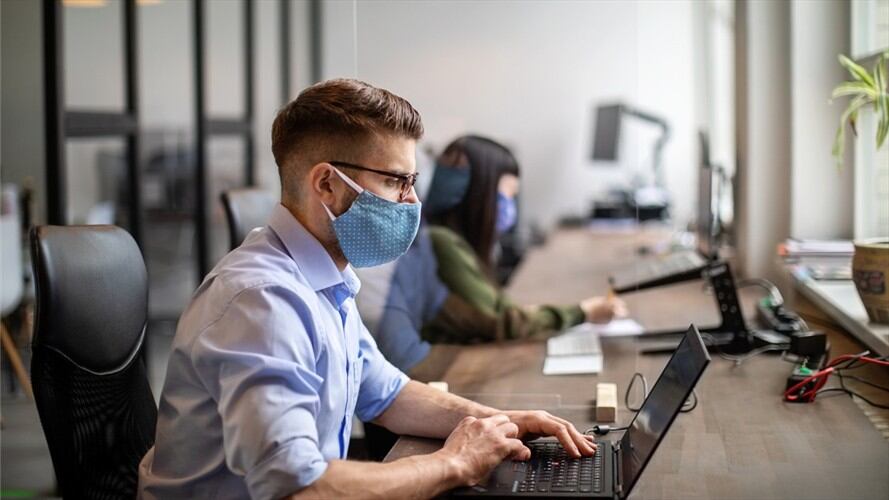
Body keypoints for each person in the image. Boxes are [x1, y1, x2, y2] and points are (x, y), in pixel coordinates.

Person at [138, 79, 595, 499]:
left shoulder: (325, 280)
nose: (412, 202)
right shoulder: (262, 302)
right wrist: (455, 462)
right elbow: (296, 489)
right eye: (397, 181)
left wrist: (498, 422)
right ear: (327, 185)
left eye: (412, 182)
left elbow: (387, 393)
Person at [356, 135, 626, 379]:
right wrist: (584, 311)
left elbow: (496, 310)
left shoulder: (442, 235)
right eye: (506, 196)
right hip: (423, 382)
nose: (510, 207)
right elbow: (503, 320)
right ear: (480, 194)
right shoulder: (441, 241)